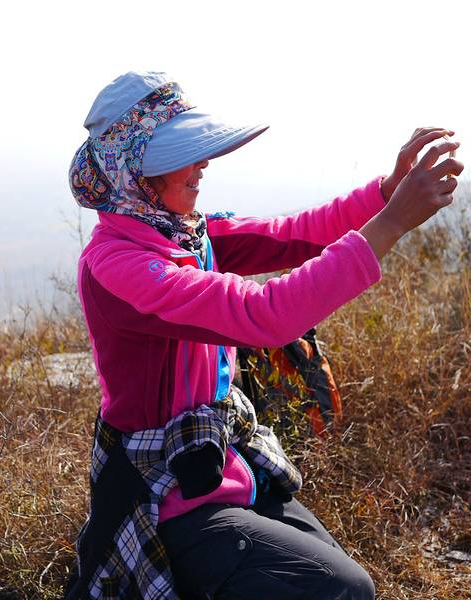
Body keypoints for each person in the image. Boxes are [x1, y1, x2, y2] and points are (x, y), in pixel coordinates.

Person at [64, 71, 464, 600]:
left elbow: (293, 235)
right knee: (343, 590)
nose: (203, 164)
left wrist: (386, 193)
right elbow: (265, 314)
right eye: (184, 154)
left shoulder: (183, 232)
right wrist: (391, 222)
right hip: (163, 495)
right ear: (136, 172)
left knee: (343, 584)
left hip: (216, 463)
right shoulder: (119, 267)